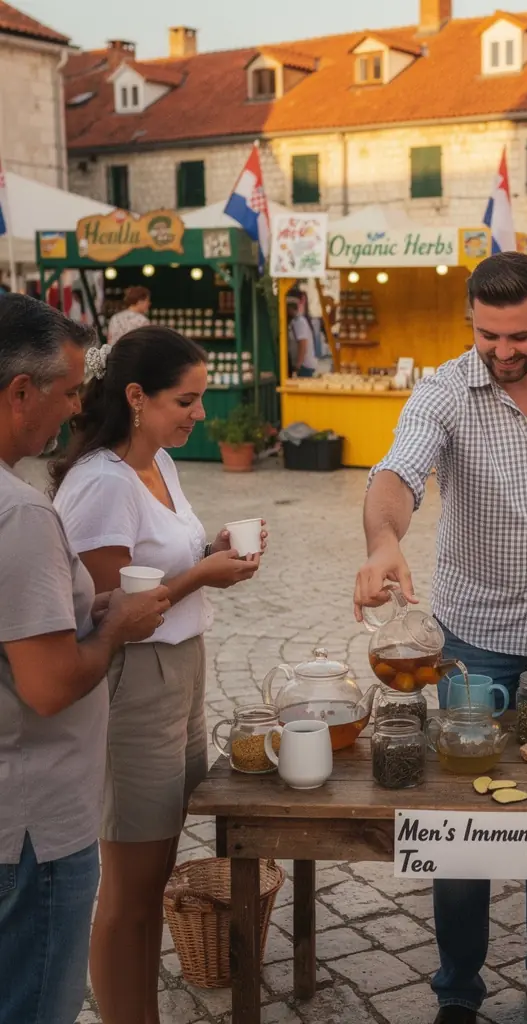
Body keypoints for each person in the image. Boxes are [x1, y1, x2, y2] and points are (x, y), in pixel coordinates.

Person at [353, 251, 527, 1024]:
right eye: (488, 335)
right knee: (463, 816)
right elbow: (397, 474)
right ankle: (457, 992)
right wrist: (383, 545)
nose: (504, 352)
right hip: (476, 639)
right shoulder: (445, 390)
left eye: (519, 336)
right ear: (470, 321)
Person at [50, 326, 266, 1024]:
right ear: (137, 397)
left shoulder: (158, 465)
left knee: (156, 867)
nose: (198, 415)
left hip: (182, 670)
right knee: (131, 890)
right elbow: (118, 613)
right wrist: (201, 573)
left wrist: (212, 552)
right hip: (135, 683)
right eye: (187, 400)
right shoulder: (100, 484)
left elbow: (161, 569)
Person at [0, 294, 168, 1024]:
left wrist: (85, 612)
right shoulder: (21, 513)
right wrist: (117, 627)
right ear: (18, 393)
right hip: (33, 820)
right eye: (69, 391)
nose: (75, 409)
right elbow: (48, 684)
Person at [288, 291, 318, 378]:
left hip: (304, 367)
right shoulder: (296, 321)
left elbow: (302, 344)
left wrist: (297, 366)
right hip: (305, 366)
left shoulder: (298, 321)